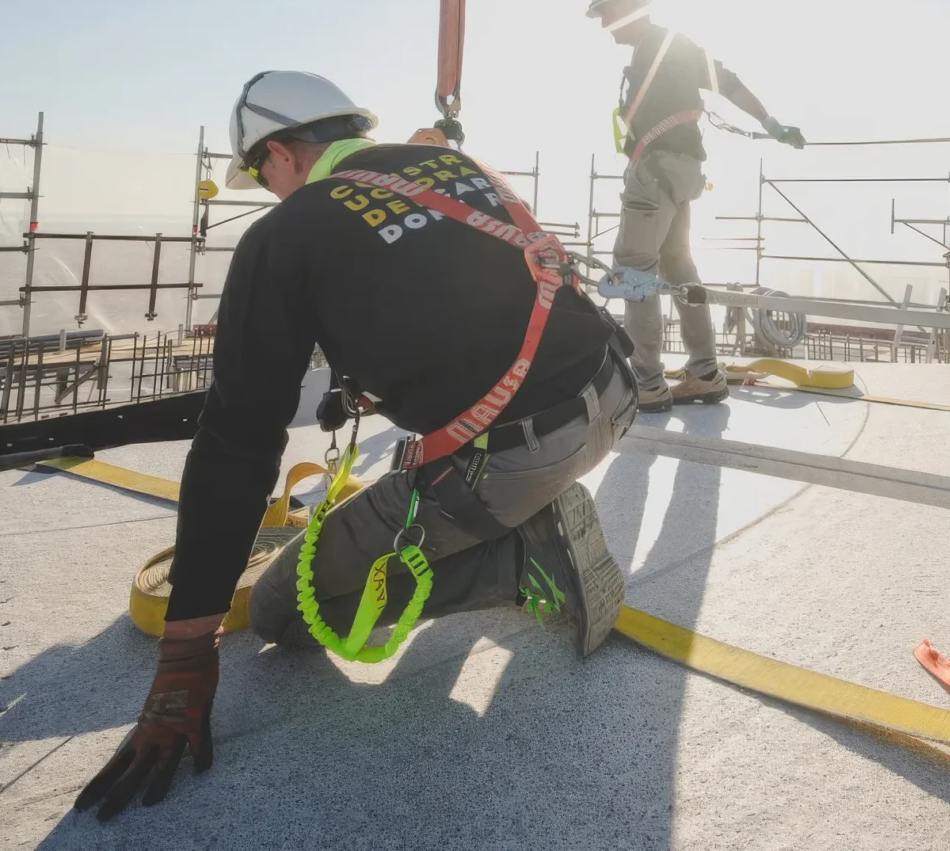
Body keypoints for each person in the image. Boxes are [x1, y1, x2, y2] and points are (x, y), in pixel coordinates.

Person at [76, 70, 637, 821]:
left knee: (285, 612)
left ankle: (521, 554)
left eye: (259, 175)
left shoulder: (286, 233)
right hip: (615, 395)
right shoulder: (453, 167)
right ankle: (522, 516)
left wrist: (185, 654)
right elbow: (446, 292)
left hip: (514, 457)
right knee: (427, 509)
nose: (267, 192)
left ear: (280, 152)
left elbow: (237, 444)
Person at [586, 0, 804, 411]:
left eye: (605, 12)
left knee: (633, 273)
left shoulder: (663, 46)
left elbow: (728, 81)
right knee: (679, 269)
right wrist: (771, 124)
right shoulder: (662, 50)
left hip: (657, 172)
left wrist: (770, 122)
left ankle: (646, 383)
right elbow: (725, 81)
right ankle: (704, 373)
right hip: (679, 171)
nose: (602, 23)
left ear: (628, 6)